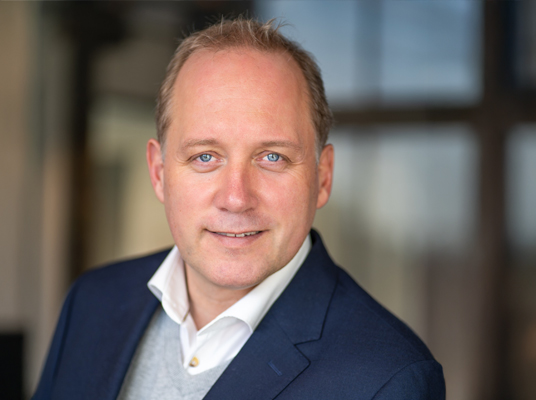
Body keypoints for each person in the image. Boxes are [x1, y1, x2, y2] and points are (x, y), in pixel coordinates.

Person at [33, 17, 445, 400]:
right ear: (158, 172)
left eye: (272, 157)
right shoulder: (92, 302)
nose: (236, 197)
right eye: (205, 157)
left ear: (322, 177)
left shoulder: (387, 378)